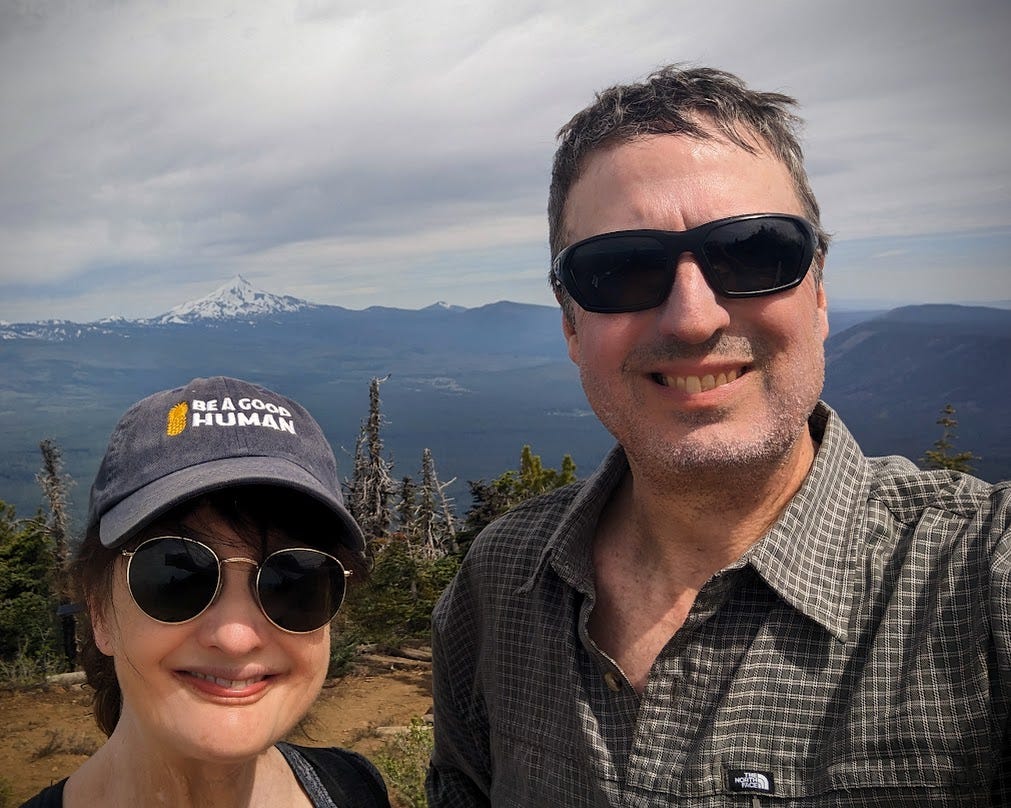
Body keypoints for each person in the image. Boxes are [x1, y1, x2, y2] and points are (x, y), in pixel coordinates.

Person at [426, 65, 1010, 806]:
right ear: (571, 322)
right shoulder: (498, 584)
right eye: (621, 269)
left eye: (755, 252)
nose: (692, 317)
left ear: (819, 293)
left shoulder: (978, 581)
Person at [21, 376, 391, 807]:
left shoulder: (357, 788)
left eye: (295, 583)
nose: (236, 639)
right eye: (176, 579)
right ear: (100, 610)